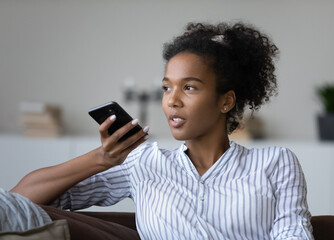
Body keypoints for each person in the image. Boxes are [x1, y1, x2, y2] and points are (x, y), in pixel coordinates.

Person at [8, 21, 313, 239]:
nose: (172, 101)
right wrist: (103, 158)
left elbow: (294, 233)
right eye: (167, 88)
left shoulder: (275, 163)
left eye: (189, 87)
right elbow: (19, 200)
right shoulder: (145, 163)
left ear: (226, 101)